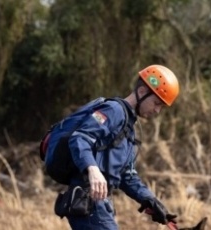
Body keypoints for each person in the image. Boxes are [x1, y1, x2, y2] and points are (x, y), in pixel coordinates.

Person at [46, 64, 180, 230]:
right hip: (88, 201)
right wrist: (93, 169)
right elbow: (80, 138)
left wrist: (150, 200)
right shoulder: (114, 110)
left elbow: (127, 175)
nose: (157, 111)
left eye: (161, 107)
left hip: (102, 205)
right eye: (156, 103)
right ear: (143, 92)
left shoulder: (130, 128)